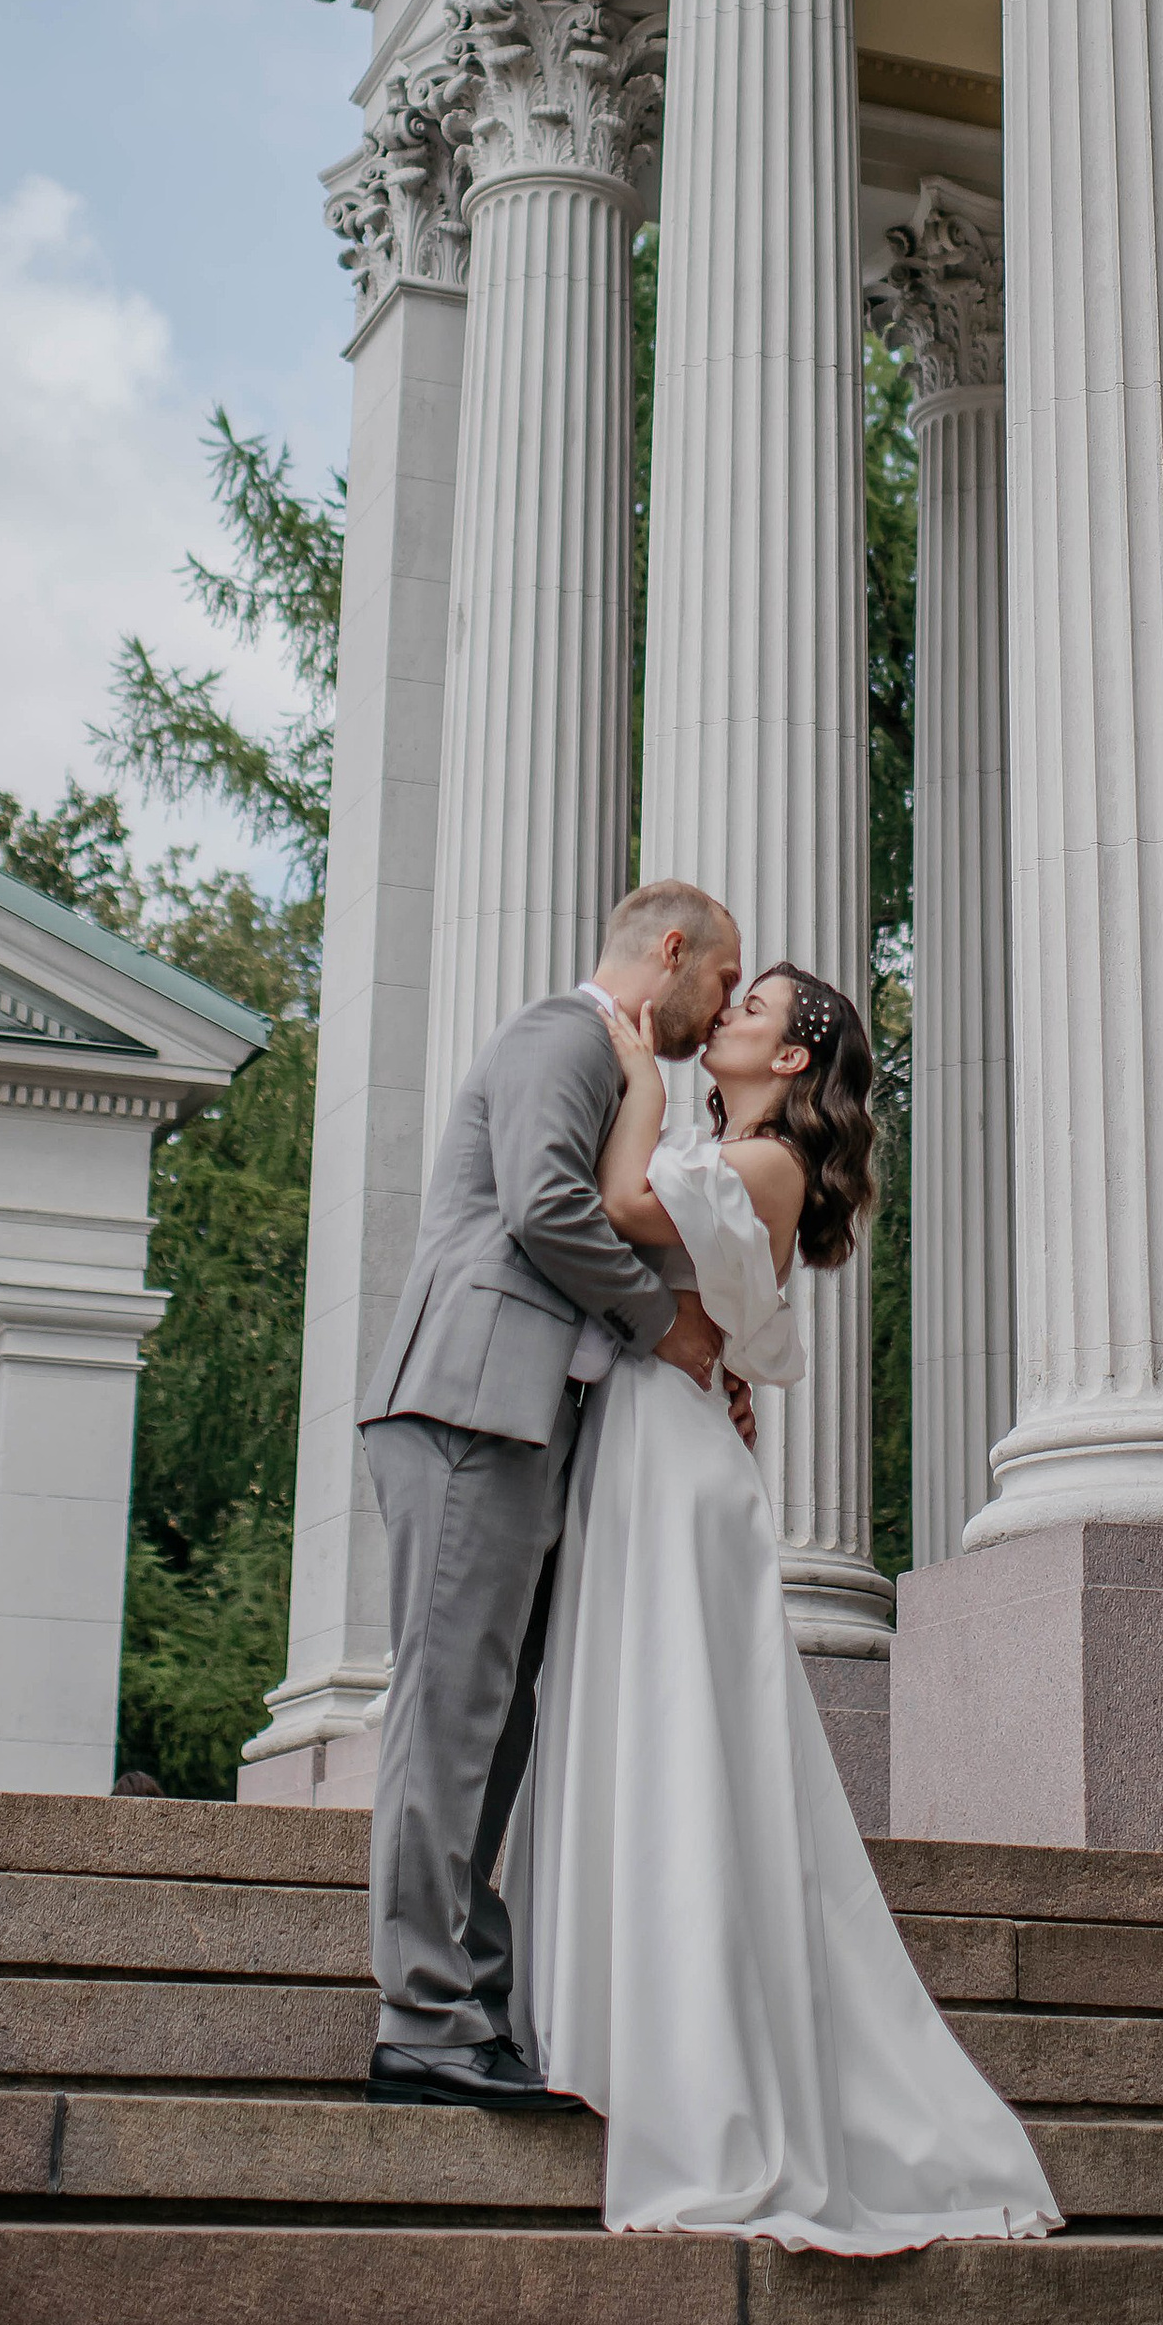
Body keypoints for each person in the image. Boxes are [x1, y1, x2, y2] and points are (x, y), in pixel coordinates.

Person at [508, 962, 1060, 2251]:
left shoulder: (760, 1166)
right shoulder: (730, 1149)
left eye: (751, 1010)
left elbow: (619, 1203)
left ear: (795, 1060)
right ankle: (627, 2026)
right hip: (647, 1441)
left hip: (677, 1467)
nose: (727, 1020)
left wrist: (636, 1071)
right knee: (636, 1727)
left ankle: (702, 2079)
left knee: (689, 1745)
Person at [356, 879, 745, 2112]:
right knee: (452, 1713)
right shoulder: (562, 1034)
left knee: (497, 1724)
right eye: (723, 982)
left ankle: (466, 1996)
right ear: (670, 951)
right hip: (472, 1403)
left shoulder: (617, 1065)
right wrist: (668, 1325)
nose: (722, 1006)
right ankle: (422, 2015)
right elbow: (542, 1207)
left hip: (524, 1419)